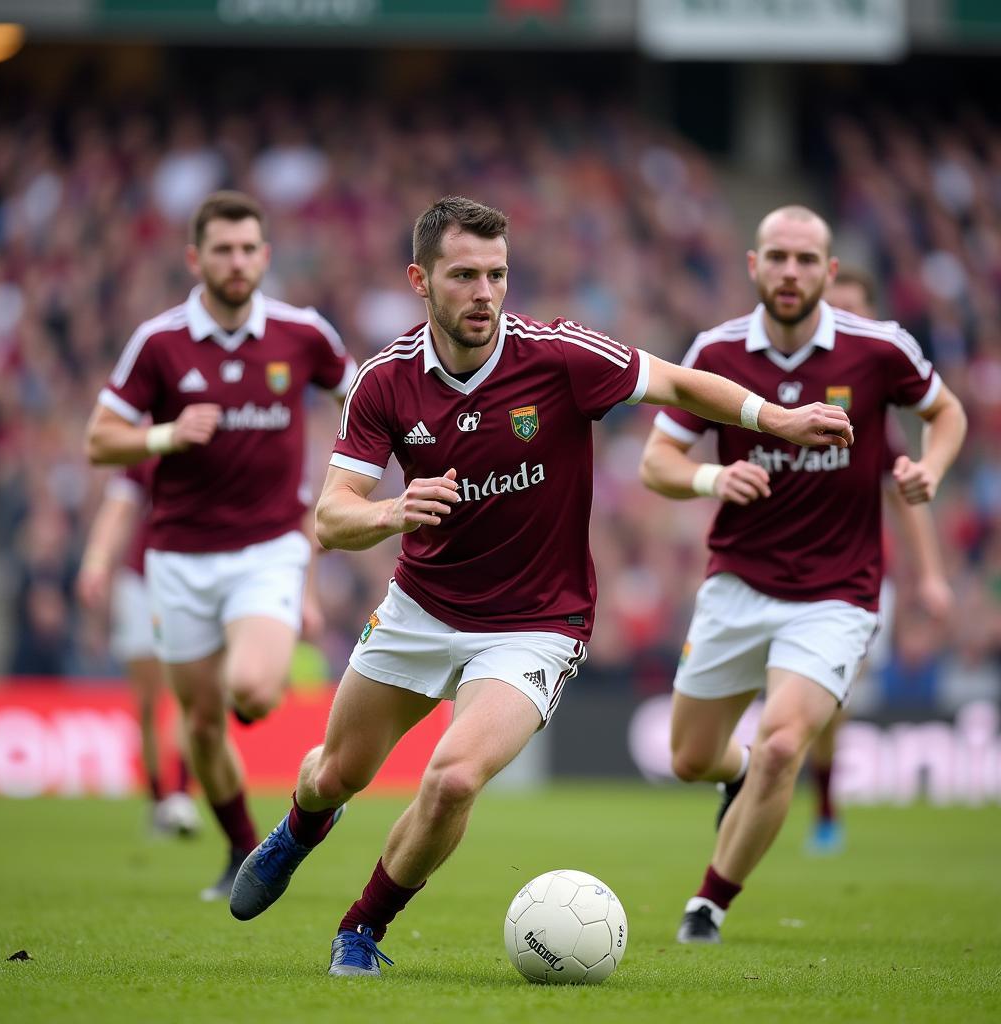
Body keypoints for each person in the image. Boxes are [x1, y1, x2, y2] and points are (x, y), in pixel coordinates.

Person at [226, 195, 854, 977]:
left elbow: (683, 386)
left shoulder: (559, 357)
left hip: (536, 623)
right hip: (421, 609)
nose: (485, 292)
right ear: (420, 280)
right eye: (464, 276)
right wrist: (393, 510)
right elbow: (329, 517)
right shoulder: (384, 382)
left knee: (453, 778)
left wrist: (777, 420)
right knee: (334, 773)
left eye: (496, 275)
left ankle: (362, 930)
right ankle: (296, 829)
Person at [638, 206, 967, 944]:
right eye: (778, 258)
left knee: (787, 744)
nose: (791, 272)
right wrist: (711, 481)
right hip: (736, 583)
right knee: (690, 758)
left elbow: (946, 413)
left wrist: (930, 469)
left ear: (829, 272)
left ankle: (708, 905)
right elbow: (655, 463)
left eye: (806, 260)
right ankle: (741, 771)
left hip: (837, 593)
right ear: (754, 265)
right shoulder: (716, 351)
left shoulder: (879, 348)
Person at [84, 190, 357, 900]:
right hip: (177, 558)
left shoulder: (303, 334)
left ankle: (252, 809)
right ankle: (242, 845)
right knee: (202, 726)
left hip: (269, 548)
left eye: (248, 250)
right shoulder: (159, 341)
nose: (237, 263)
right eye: (223, 250)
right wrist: (166, 434)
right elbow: (99, 438)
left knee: (253, 690)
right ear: (195, 258)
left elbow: (360, 398)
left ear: (265, 256)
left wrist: (345, 477)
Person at [805, 266, 954, 853]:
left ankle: (821, 805)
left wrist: (933, 577)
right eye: (832, 312)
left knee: (827, 698)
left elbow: (906, 493)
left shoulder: (872, 410)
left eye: (852, 313)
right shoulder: (782, 382)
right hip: (769, 576)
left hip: (852, 579)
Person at [76, 461, 200, 837]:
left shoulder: (211, 439)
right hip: (141, 585)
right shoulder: (144, 452)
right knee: (147, 703)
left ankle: (180, 795)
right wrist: (97, 563)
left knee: (185, 694)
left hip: (191, 581)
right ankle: (157, 797)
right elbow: (119, 510)